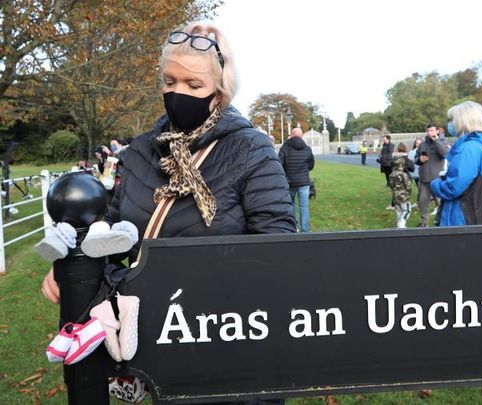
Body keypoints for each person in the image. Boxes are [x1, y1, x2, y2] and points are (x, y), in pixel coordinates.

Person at [42, 20, 296, 404]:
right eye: (169, 81)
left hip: (229, 341)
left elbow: (277, 250)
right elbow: (113, 226)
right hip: (158, 344)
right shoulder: (141, 151)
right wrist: (77, 267)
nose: (178, 93)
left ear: (220, 90)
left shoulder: (252, 150)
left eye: (193, 85)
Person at [429, 101, 482, 227]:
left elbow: (453, 188)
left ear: (462, 121)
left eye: (453, 120)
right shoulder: (480, 146)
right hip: (480, 217)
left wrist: (435, 184)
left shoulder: (469, 149)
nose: (450, 124)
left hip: (469, 220)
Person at [279, 127, 315, 232]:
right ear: (302, 135)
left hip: (290, 181)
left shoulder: (285, 148)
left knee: (291, 205)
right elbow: (311, 165)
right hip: (304, 181)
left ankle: (293, 227)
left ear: (291, 135)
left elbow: (280, 164)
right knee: (304, 206)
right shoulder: (307, 148)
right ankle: (305, 230)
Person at [415, 124, 448, 227]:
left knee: (441, 204)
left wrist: (436, 141)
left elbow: (444, 154)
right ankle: (424, 224)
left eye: (432, 130)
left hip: (436, 180)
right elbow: (416, 158)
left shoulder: (442, 142)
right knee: (423, 203)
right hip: (424, 179)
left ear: (437, 131)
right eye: (428, 130)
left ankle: (442, 222)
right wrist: (419, 160)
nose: (430, 133)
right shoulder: (423, 144)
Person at [389, 143, 414, 228]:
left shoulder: (392, 174)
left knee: (398, 210)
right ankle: (402, 223)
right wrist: (408, 192)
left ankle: (398, 224)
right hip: (404, 195)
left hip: (396, 194)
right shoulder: (403, 175)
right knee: (407, 210)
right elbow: (408, 186)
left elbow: (391, 185)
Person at [377, 135, 395, 210]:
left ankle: (394, 202)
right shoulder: (384, 145)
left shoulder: (390, 146)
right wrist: (380, 160)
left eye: (384, 139)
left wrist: (382, 160)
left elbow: (388, 155)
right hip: (384, 164)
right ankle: (389, 183)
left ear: (388, 139)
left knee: (391, 179)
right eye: (383, 139)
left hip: (388, 164)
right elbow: (383, 155)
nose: (383, 140)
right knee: (387, 176)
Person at [407, 138, 422, 205]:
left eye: (419, 143)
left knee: (421, 188)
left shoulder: (424, 151)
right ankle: (419, 201)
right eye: (417, 143)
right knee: (419, 188)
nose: (418, 144)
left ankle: (419, 202)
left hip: (422, 173)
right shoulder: (411, 152)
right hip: (414, 173)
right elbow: (409, 161)